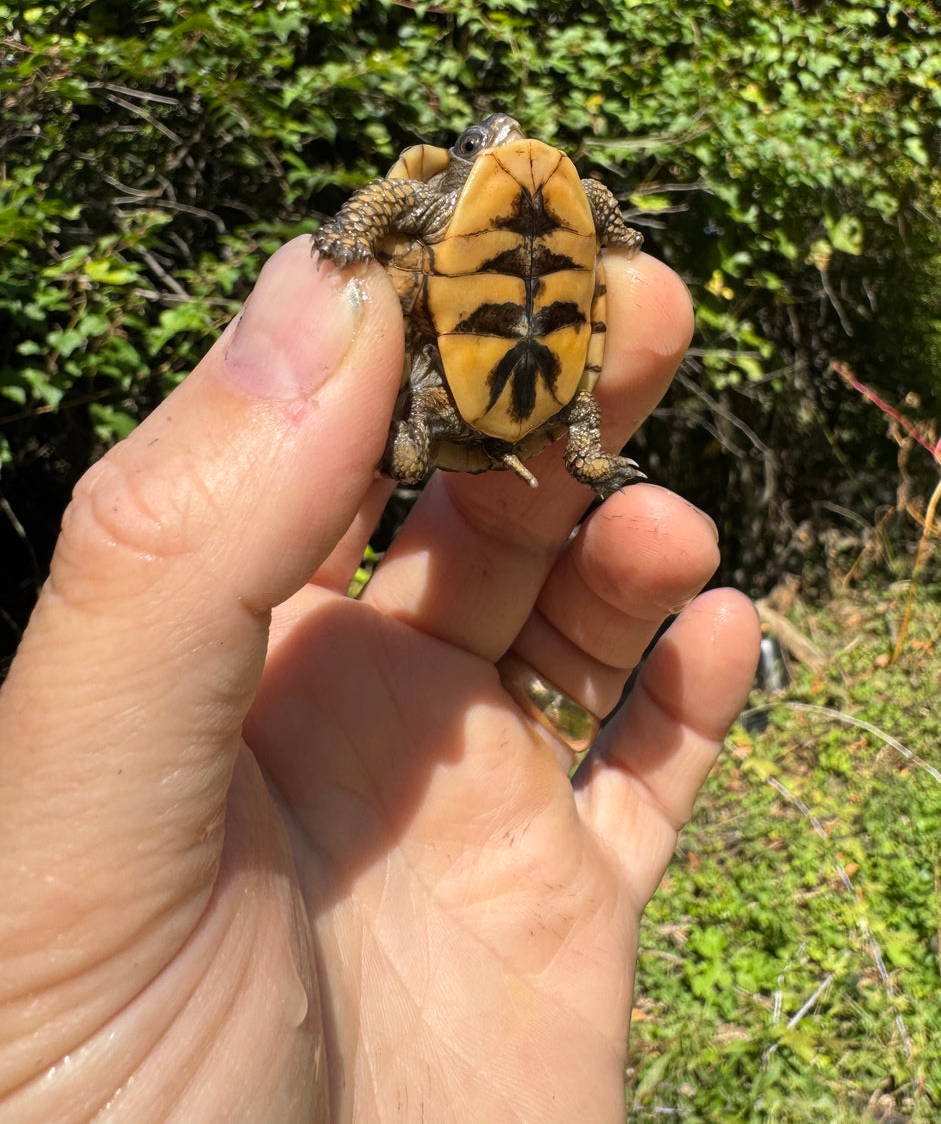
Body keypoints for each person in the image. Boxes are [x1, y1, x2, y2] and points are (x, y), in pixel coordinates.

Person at [0, 235, 759, 1123]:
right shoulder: (453, 203)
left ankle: (575, 447)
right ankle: (568, 446)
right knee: (516, 415)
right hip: (477, 394)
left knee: (568, 424)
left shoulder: (497, 207)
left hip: (507, 387)